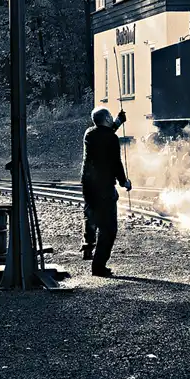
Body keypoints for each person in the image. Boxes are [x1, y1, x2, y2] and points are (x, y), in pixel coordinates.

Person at [80, 106, 132, 277]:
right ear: (106, 119)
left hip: (88, 186)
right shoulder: (112, 138)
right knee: (108, 228)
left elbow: (105, 135)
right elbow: (116, 163)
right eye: (110, 116)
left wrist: (117, 122)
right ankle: (99, 267)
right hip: (104, 188)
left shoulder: (89, 133)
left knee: (91, 215)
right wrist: (124, 182)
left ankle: (88, 245)